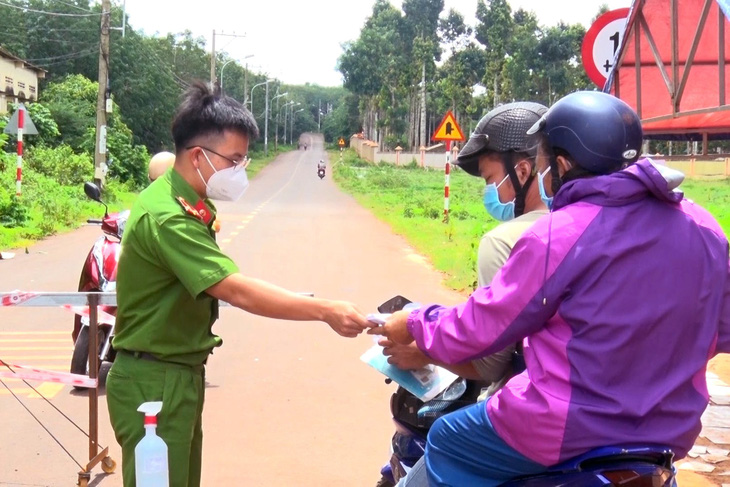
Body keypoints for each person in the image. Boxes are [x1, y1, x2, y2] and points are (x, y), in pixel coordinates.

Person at [372, 91, 730, 486]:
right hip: (665, 434)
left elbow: (481, 327)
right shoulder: (704, 227)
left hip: (560, 428)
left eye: (543, 163)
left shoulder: (558, 235)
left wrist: (415, 321)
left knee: (446, 438)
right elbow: (721, 331)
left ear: (560, 165)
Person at [106, 81, 373, 487]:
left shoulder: (184, 201)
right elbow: (235, 289)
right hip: (154, 382)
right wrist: (326, 310)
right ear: (198, 156)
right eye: (233, 160)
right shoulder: (169, 217)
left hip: (174, 374)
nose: (239, 170)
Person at [384, 102, 549, 487]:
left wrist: (419, 350)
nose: (489, 192)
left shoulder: (505, 241)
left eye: (491, 179)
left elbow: (491, 363)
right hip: (643, 429)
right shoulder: (617, 232)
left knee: (437, 450)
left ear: (523, 170)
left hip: (539, 417)